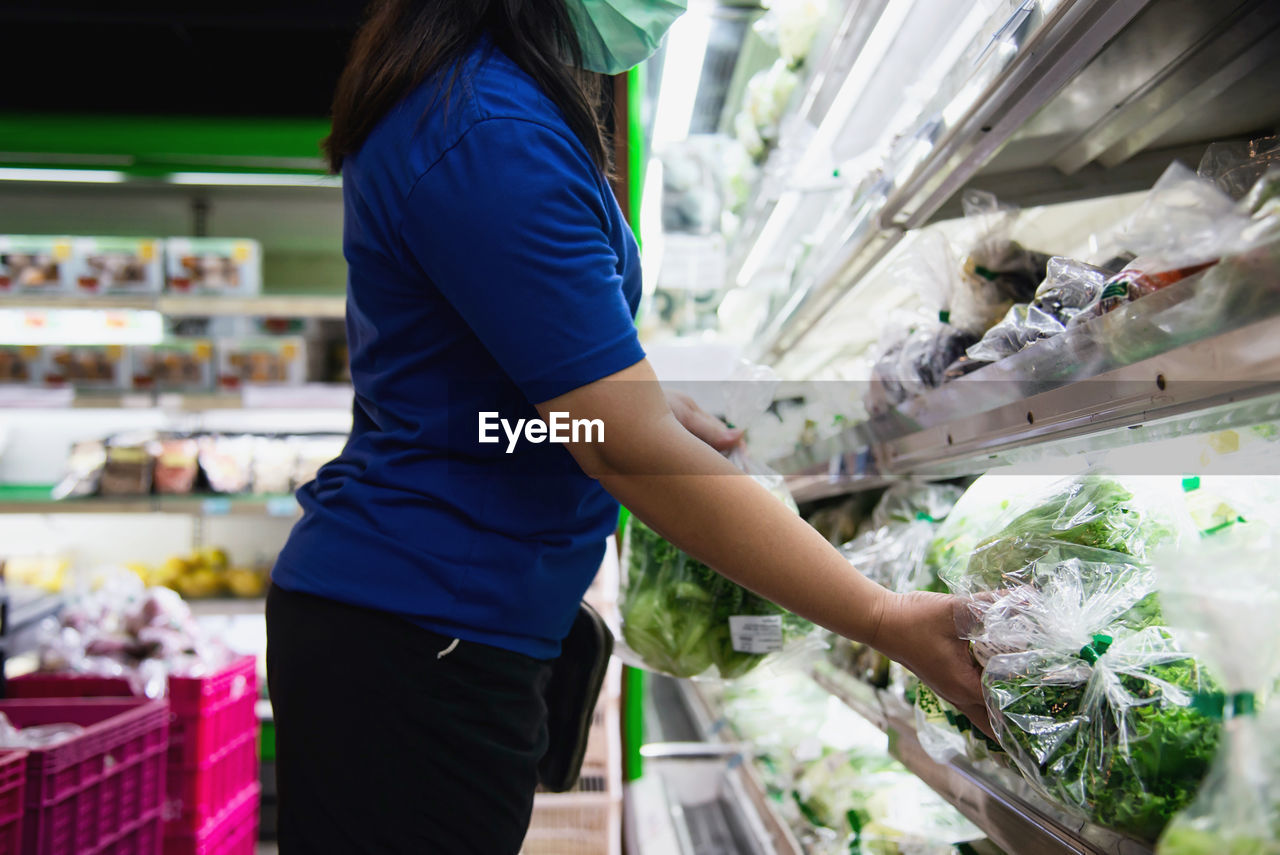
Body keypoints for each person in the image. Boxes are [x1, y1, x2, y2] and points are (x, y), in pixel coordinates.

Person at [265, 1, 990, 852]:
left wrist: (637, 402)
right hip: (422, 630)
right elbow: (628, 454)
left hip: (422, 619)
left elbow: (487, 397)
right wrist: (882, 615)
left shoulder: (475, 101)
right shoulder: (493, 131)